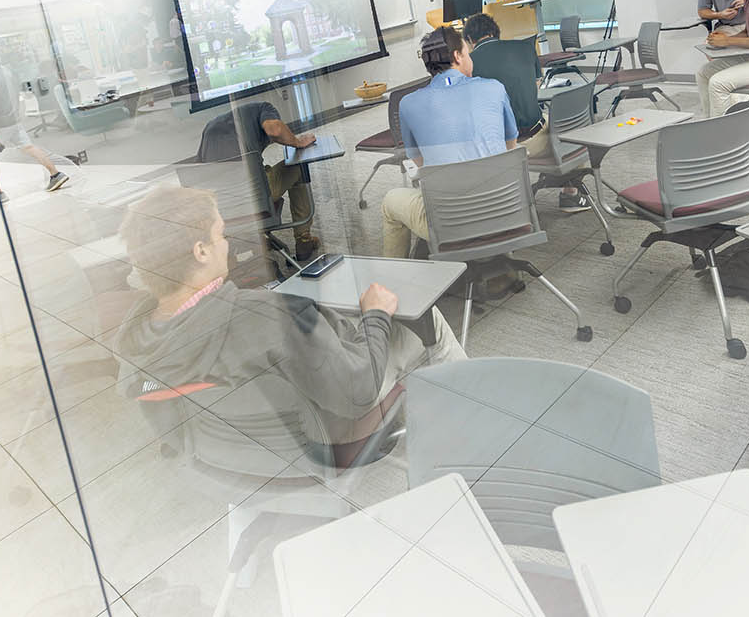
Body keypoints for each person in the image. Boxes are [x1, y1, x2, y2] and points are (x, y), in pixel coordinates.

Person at [114, 185, 464, 449]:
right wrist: (375, 315)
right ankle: (484, 415)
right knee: (423, 322)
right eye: (220, 235)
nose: (227, 244)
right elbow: (357, 391)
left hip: (234, 453)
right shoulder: (271, 316)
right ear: (201, 251)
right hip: (325, 435)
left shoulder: (135, 346)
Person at [381, 26, 517, 258]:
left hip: (449, 220)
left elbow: (420, 162)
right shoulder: (494, 87)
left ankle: (393, 286)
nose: (470, 57)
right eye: (468, 52)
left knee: (390, 202)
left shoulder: (408, 103)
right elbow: (510, 145)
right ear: (457, 56)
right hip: (506, 210)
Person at [461, 13, 587, 212]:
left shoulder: (468, 64)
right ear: (495, 32)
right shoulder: (525, 48)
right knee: (571, 130)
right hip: (532, 137)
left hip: (497, 147)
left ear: (469, 40)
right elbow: (534, 89)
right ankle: (569, 194)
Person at [196, 100, 321, 261]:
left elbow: (200, 171)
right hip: (254, 200)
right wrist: (297, 142)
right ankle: (303, 239)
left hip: (221, 208)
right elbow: (274, 129)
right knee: (297, 167)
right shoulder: (265, 108)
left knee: (259, 171)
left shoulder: (210, 126)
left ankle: (256, 238)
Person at [0, 44, 68, 202]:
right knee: (29, 147)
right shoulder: (3, 69)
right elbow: (16, 91)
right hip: (13, 120)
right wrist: (15, 114)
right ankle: (56, 174)